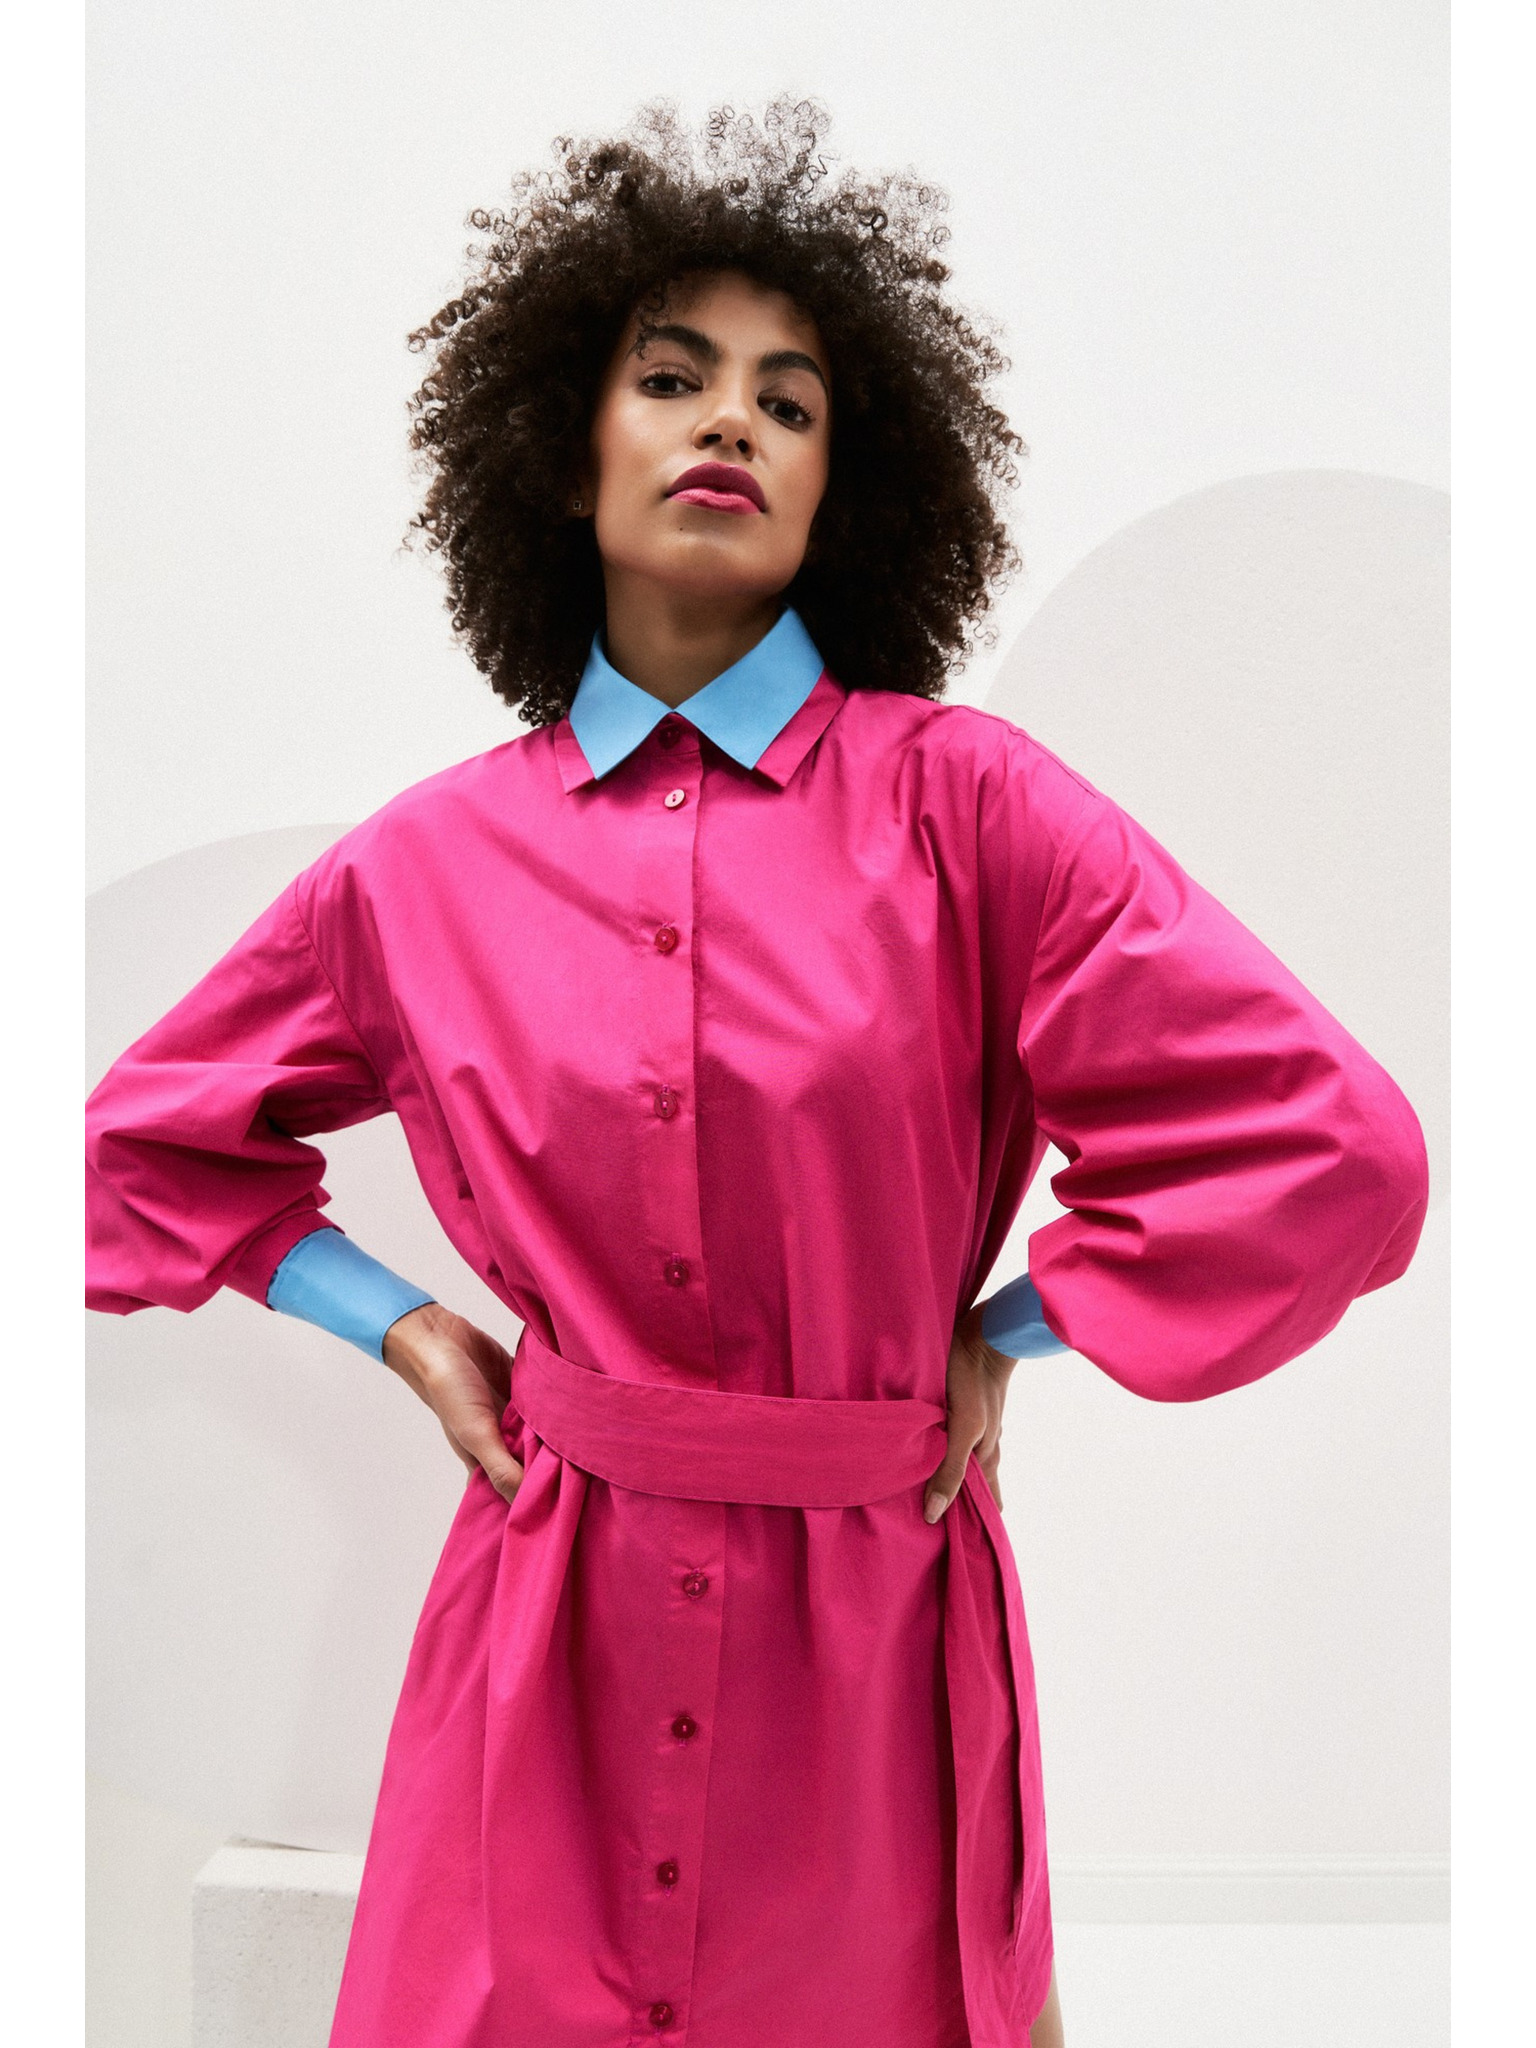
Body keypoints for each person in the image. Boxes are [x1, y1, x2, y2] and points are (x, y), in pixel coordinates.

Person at [84, 99, 1429, 2048]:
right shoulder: (423, 864)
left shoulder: (973, 811)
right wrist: (403, 1327)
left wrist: (1016, 1325)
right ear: (565, 450)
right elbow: (135, 1145)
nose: (731, 420)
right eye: (672, 377)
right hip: (545, 1635)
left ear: (842, 491)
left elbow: (1331, 1149)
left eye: (790, 402)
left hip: (872, 1648)